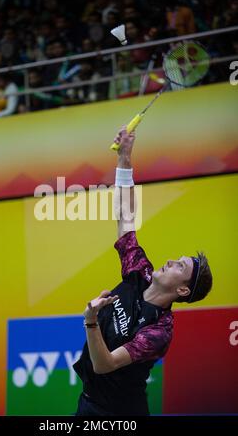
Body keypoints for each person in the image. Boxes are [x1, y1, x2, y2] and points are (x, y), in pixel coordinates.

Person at [73, 126, 213, 416]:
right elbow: (125, 216)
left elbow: (105, 364)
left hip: (121, 413)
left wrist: (91, 321)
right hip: (89, 402)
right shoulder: (140, 272)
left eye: (181, 266)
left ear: (183, 290)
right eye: (178, 258)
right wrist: (124, 158)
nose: (172, 261)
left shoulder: (159, 330)